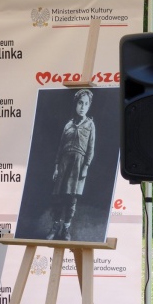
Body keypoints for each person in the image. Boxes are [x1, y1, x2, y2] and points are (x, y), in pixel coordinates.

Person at [45, 88, 95, 241]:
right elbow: (60, 148)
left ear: (89, 106)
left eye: (86, 104)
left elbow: (91, 148)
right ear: (76, 104)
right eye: (80, 103)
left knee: (71, 199)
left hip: (78, 166)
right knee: (58, 197)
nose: (82, 106)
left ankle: (66, 228)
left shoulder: (90, 125)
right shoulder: (68, 125)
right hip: (64, 164)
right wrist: (56, 167)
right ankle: (55, 226)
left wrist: (86, 167)